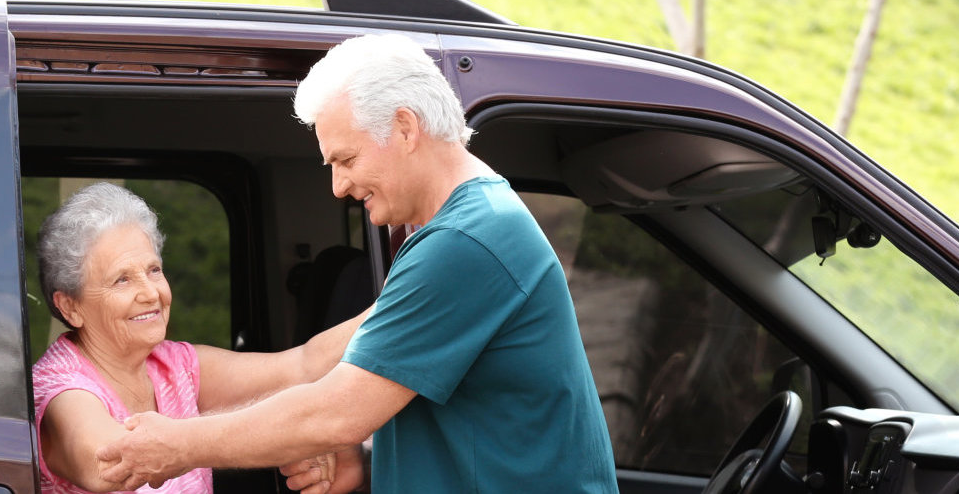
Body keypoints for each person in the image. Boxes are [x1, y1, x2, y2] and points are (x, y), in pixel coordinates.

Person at [96, 33, 618, 493]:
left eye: (345, 159)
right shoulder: (469, 227)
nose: (338, 186)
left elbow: (338, 410)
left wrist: (178, 444)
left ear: (406, 128)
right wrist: (368, 464)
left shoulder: (466, 241)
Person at [31, 182, 366, 493]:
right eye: (122, 280)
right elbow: (120, 461)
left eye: (154, 270)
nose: (151, 293)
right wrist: (298, 436)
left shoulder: (175, 365)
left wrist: (403, 299)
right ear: (71, 307)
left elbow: (305, 366)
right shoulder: (62, 388)